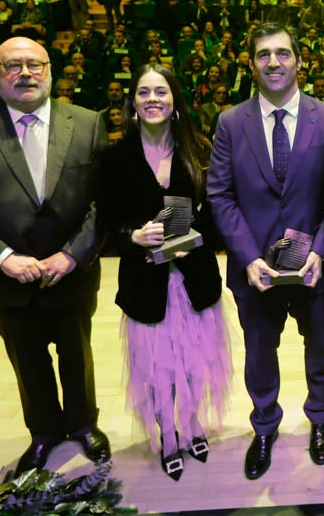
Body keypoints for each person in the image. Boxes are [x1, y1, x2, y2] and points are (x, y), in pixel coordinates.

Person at [0, 36, 110, 478]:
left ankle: (84, 424)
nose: (25, 73)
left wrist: (71, 256)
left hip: (70, 270)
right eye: (13, 65)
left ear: (50, 70)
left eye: (34, 64)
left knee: (76, 350)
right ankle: (44, 431)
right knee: (25, 356)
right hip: (4, 275)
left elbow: (105, 202)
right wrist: (4, 258)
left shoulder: (87, 123)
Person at [206, 23, 324, 481]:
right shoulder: (231, 121)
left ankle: (320, 420)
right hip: (257, 270)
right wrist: (248, 258)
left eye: (283, 53)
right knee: (259, 354)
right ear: (251, 64)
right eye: (263, 54)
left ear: (299, 60)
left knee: (321, 350)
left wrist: (321, 250)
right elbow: (220, 195)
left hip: (313, 268)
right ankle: (264, 426)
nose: (273, 62)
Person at [95, 64, 232, 482]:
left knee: (194, 363)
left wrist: (194, 235)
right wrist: (131, 236)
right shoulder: (115, 157)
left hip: (194, 277)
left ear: (175, 101)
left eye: (161, 92)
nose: (152, 99)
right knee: (156, 370)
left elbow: (218, 215)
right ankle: (167, 436)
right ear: (132, 103)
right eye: (143, 92)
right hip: (145, 281)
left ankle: (192, 427)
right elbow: (104, 220)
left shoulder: (199, 150)